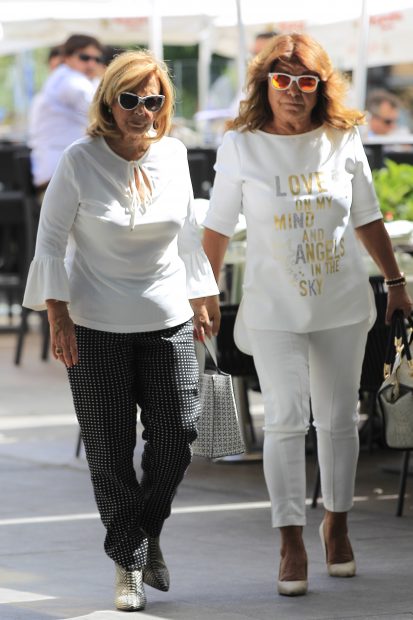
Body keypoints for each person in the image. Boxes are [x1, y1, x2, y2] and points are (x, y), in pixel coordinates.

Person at [202, 33, 413, 597]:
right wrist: (202, 293)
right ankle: (290, 537)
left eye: (306, 81)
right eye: (282, 79)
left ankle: (337, 525)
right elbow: (218, 227)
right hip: (273, 310)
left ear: (321, 86)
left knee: (341, 420)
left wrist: (394, 280)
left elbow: (367, 215)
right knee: (286, 420)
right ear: (264, 84)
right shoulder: (241, 146)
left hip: (341, 303)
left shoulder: (343, 138)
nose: (294, 92)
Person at [23, 50, 219, 612]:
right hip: (94, 325)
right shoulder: (79, 160)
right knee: (109, 453)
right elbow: (50, 241)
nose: (142, 110)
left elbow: (187, 230)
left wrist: (203, 291)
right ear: (109, 102)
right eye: (129, 99)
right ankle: (129, 563)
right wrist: (57, 314)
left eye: (152, 99)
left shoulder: (175, 153)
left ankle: (140, 532)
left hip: (167, 317)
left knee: (178, 439)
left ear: (165, 104)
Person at [29, 33, 104, 195]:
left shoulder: (80, 79)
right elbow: (101, 109)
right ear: (67, 58)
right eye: (84, 57)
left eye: (96, 59)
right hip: (59, 178)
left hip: (67, 173)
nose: (91, 64)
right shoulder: (69, 80)